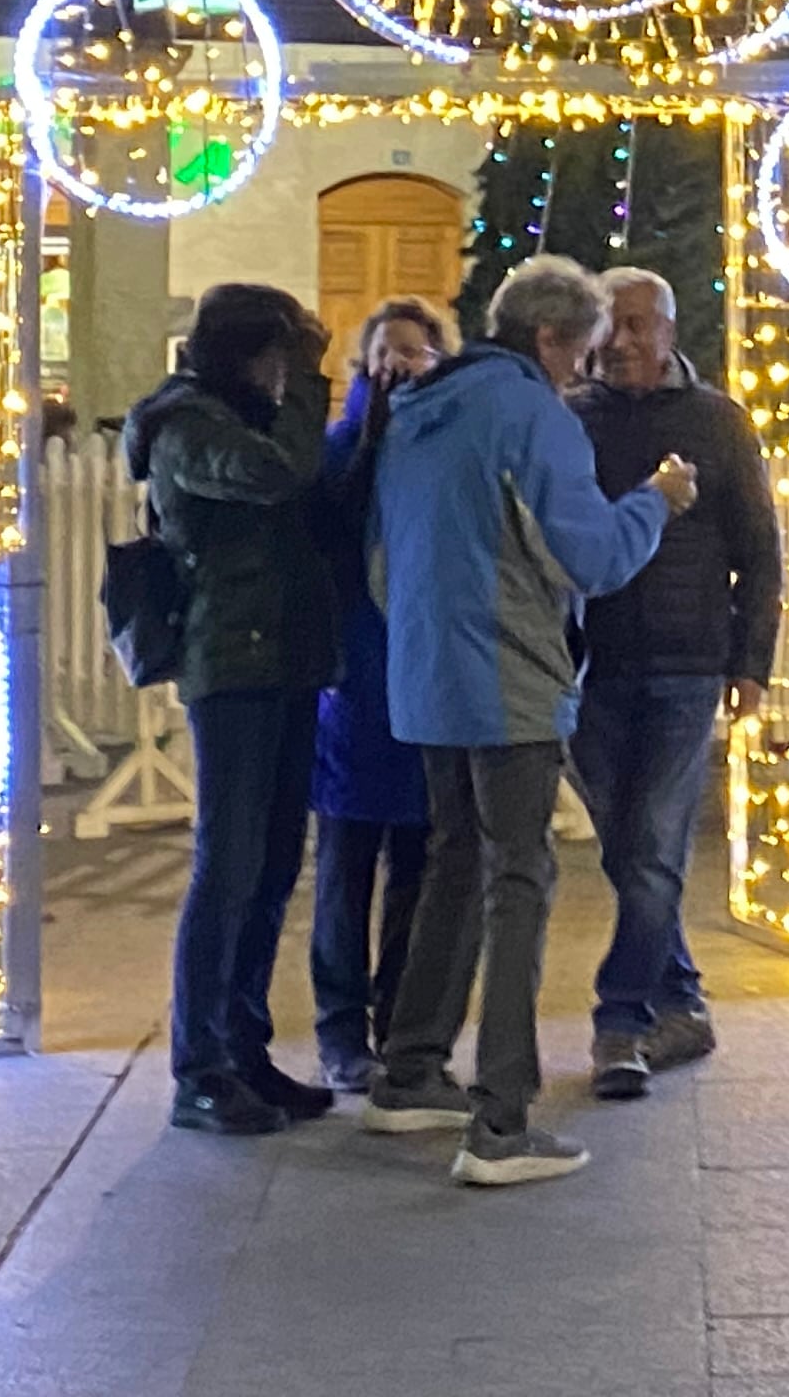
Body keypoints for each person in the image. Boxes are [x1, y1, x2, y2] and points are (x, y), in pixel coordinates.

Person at [364, 255, 690, 1189]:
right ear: (550, 338)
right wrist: (655, 504)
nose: (583, 371)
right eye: (579, 351)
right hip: (507, 677)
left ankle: (410, 1072)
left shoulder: (421, 410)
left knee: (452, 865)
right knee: (520, 882)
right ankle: (503, 1120)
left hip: (425, 677)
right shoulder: (531, 416)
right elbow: (590, 557)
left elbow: (385, 561)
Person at [124, 281, 339, 1138]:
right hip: (233, 664)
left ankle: (246, 1047)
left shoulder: (244, 413)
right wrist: (315, 387)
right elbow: (275, 474)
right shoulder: (188, 426)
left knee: (274, 861)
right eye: (280, 353)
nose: (286, 372)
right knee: (229, 864)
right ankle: (200, 1066)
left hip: (283, 659)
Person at [565, 268, 780, 1101]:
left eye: (632, 326)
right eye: (606, 327)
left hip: (687, 664)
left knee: (654, 846)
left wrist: (750, 665)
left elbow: (759, 550)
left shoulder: (717, 422)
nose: (617, 343)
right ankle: (682, 1000)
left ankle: (621, 1022)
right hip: (593, 662)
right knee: (629, 849)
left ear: (666, 331)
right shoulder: (570, 419)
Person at [306, 295, 452, 1092]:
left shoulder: (444, 447)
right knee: (343, 870)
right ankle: (340, 1029)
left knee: (419, 871)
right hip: (354, 692)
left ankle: (403, 1020)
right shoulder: (338, 449)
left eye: (414, 350)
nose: (397, 364)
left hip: (424, 689)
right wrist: (369, 431)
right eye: (384, 351)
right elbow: (331, 520)